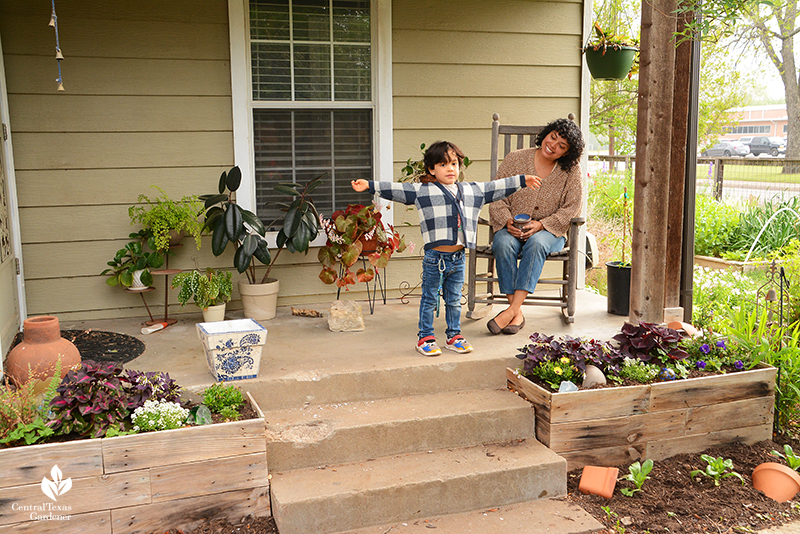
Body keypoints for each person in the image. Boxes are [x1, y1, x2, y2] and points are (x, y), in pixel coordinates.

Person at [351, 141, 542, 356]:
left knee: (453, 299)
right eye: (443, 165)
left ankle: (454, 336)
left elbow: (495, 187)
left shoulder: (472, 190)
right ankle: (425, 337)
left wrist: (522, 180)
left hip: (458, 258)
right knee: (430, 298)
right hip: (435, 258)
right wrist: (369, 185)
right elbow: (397, 189)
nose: (450, 168)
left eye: (454, 163)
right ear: (432, 169)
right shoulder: (423, 191)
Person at [486, 118, 585, 335]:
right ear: (546, 134)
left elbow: (573, 207)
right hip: (512, 227)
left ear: (566, 153)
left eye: (562, 146)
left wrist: (542, 224)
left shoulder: (571, 171)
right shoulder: (515, 159)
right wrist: (506, 221)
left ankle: (511, 310)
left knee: (537, 243)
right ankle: (516, 313)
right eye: (553, 137)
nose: (553, 146)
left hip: (549, 232)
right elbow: (496, 194)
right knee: (502, 243)